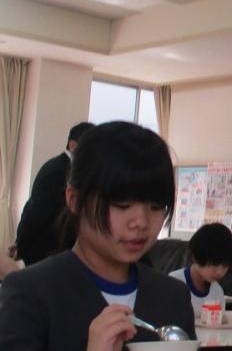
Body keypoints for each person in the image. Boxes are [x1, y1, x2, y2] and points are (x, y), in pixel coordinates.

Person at [0, 121, 196, 350]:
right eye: (122, 204)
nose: (141, 222)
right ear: (74, 200)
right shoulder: (30, 292)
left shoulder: (173, 296)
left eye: (156, 206)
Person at [14, 121, 94, 266]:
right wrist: (21, 245)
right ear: (72, 146)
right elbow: (36, 212)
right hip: (45, 251)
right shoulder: (56, 171)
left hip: (62, 252)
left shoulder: (76, 171)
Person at [170, 222, 232, 317]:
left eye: (225, 266)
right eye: (214, 264)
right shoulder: (174, 282)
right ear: (196, 257)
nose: (219, 272)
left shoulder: (217, 291)